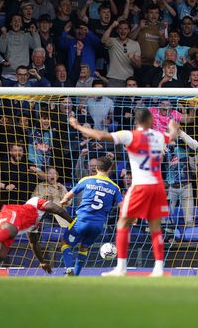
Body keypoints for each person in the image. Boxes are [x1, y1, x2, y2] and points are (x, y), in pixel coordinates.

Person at [69, 108, 180, 277]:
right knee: (155, 228)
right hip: (157, 187)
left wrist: (78, 126)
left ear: (137, 123)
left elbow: (100, 136)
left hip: (140, 186)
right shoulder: (158, 136)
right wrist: (173, 126)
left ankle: (121, 268)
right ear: (151, 121)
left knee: (123, 223)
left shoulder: (130, 135)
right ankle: (158, 268)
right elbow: (172, 135)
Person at [0, 196, 72, 273]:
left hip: (2, 230)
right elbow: (58, 210)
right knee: (13, 230)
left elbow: (34, 243)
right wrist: (72, 223)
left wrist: (42, 261)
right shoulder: (35, 202)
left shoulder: (34, 224)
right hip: (10, 214)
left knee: (0, 256)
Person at [58, 156, 122, 276]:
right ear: (110, 169)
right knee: (84, 248)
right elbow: (122, 206)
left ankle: (68, 269)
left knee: (65, 243)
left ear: (96, 168)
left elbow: (68, 195)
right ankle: (75, 275)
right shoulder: (115, 187)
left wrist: (62, 202)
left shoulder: (86, 180)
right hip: (98, 225)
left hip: (82, 221)